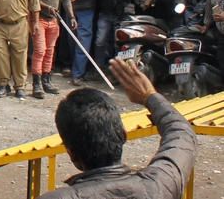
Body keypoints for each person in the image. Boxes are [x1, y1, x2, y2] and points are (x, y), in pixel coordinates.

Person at [38, 58, 197, 199]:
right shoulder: (158, 185)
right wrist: (149, 96)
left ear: (70, 153)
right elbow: (181, 134)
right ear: (123, 135)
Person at [32, 0, 76, 98]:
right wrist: (47, 7)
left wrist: (71, 16)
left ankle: (47, 80)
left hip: (54, 20)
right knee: (40, 51)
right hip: (40, 19)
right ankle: (36, 84)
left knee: (50, 51)